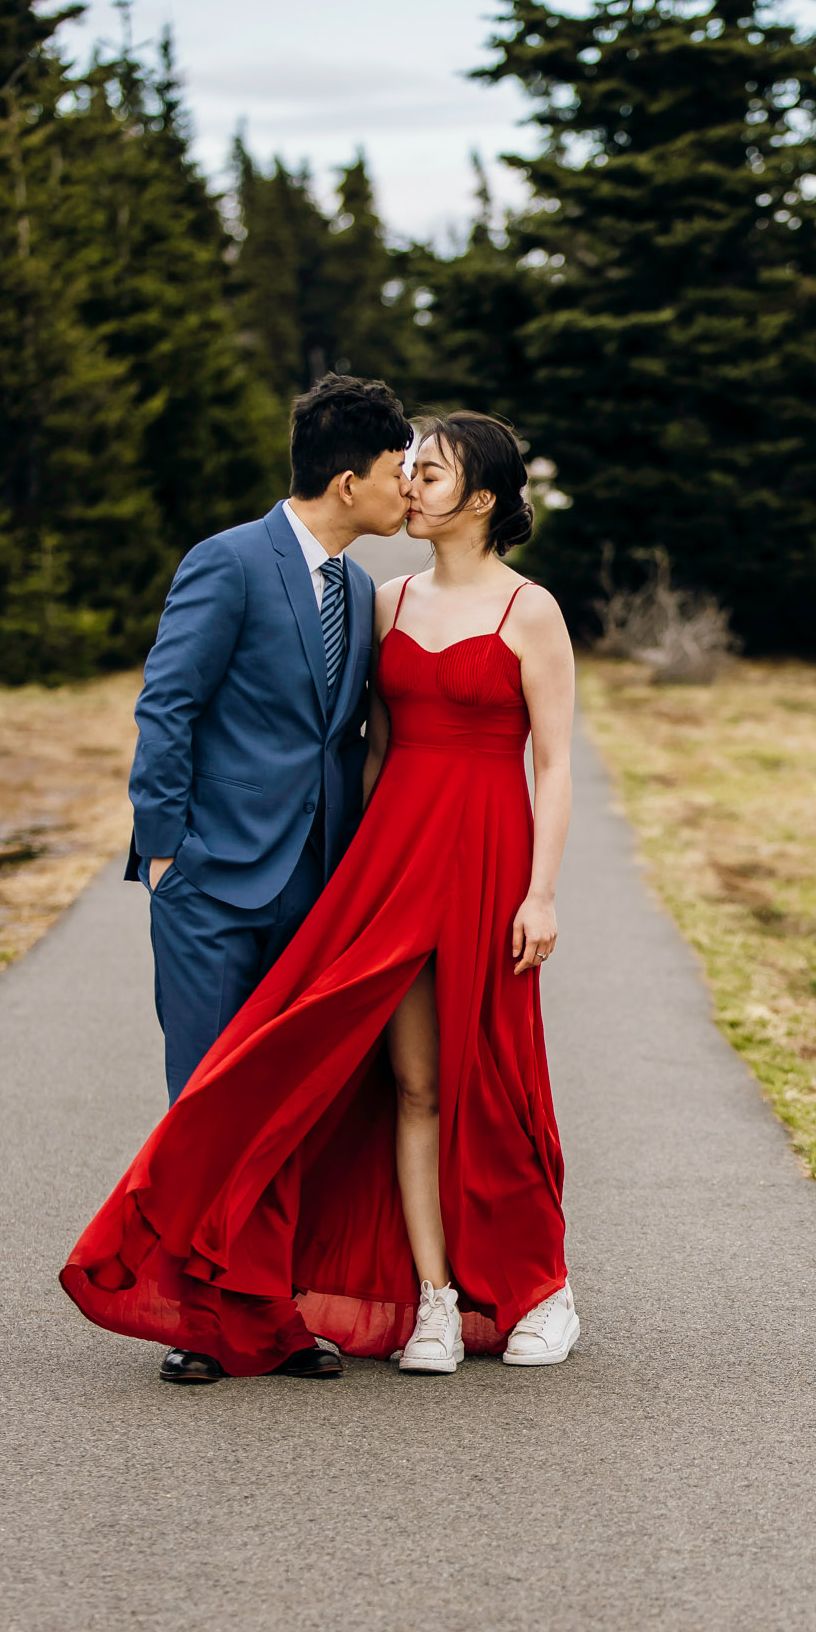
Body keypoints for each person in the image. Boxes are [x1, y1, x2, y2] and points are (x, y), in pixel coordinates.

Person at [62, 410, 579, 1386]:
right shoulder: (382, 599)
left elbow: (553, 766)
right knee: (353, 1076)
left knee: (496, 1075)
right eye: (404, 468)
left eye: (431, 473)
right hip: (382, 866)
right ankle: (409, 1297)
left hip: (484, 859)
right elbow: (355, 747)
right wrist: (174, 853)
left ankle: (537, 1286)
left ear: (477, 498)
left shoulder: (529, 610)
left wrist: (540, 894)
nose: (412, 484)